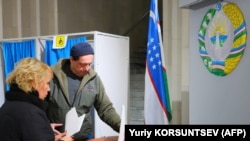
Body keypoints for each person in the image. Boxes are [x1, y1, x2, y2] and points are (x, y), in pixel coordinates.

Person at [46, 42, 121, 141]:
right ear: (72, 59)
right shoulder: (51, 76)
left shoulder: (93, 79)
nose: (87, 68)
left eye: (90, 64)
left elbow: (106, 109)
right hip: (56, 137)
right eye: (83, 64)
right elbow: (37, 108)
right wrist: (45, 126)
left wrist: (122, 127)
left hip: (82, 137)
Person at [0, 58, 73, 141]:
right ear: (34, 83)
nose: (49, 89)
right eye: (47, 83)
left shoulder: (7, 105)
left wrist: (45, 129)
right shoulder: (31, 113)